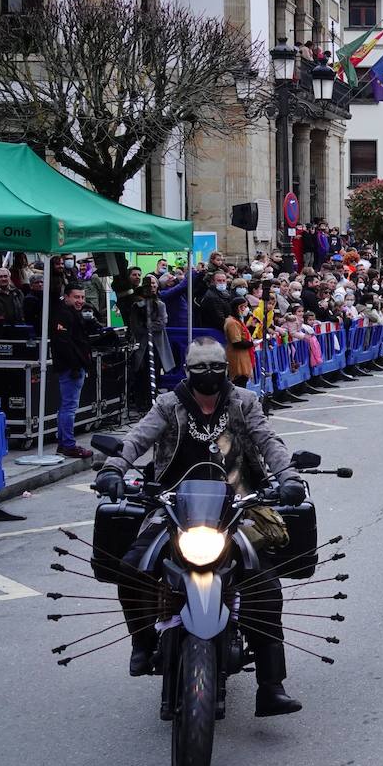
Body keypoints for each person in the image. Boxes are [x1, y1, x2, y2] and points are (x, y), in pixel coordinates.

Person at [95, 338, 307, 716]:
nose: (208, 375)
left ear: (226, 369)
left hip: (237, 505)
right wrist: (113, 468)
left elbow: (267, 440)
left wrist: (288, 476)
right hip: (172, 505)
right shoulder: (168, 404)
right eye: (200, 369)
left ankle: (271, 686)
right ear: (188, 372)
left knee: (265, 585)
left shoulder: (245, 401)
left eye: (216, 368)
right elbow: (137, 439)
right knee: (130, 568)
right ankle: (142, 642)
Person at [51, 284, 98, 459]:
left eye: (82, 297)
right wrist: (75, 366)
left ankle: (64, 444)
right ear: (67, 297)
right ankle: (68, 445)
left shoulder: (73, 313)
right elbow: (63, 343)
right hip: (70, 368)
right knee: (69, 407)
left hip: (74, 366)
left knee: (66, 407)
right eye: (76, 297)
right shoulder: (63, 314)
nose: (80, 301)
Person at [224, 296, 256, 387]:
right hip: (237, 358)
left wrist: (252, 327)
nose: (246, 309)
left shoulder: (238, 321)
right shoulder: (232, 322)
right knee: (239, 383)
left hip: (243, 357)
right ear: (238, 307)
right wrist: (252, 343)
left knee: (243, 382)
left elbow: (244, 336)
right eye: (244, 307)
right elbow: (237, 342)